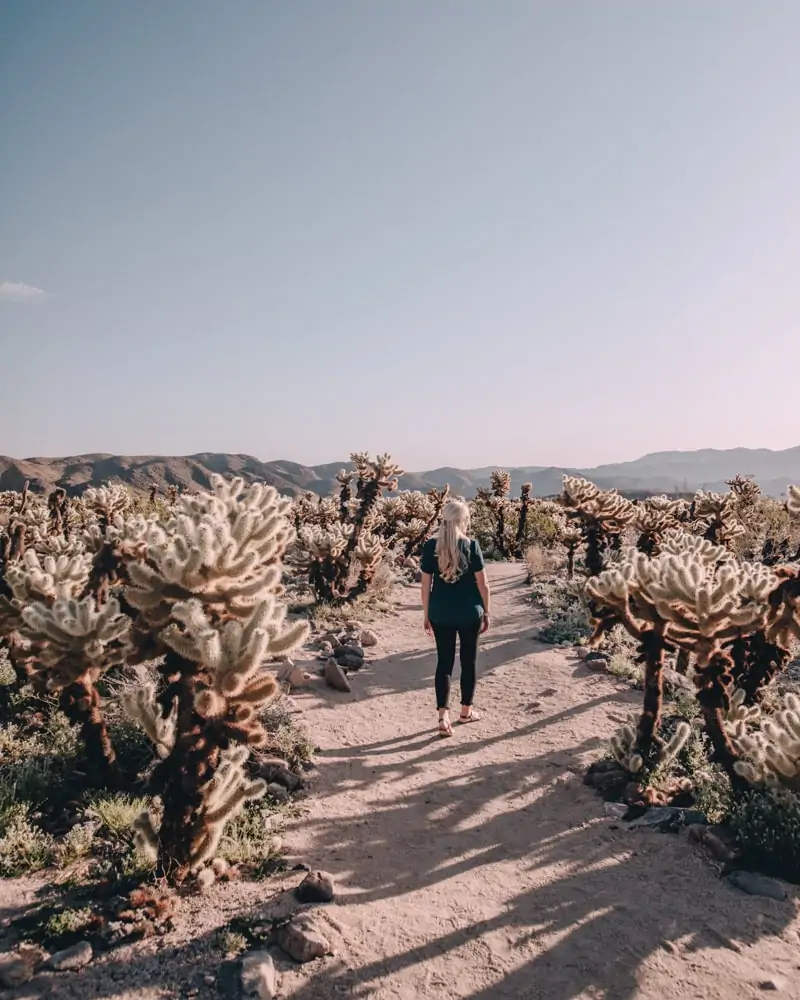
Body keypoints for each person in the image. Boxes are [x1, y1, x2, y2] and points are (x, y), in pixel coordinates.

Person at [420, 499, 491, 738]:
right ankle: (465, 711)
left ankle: (443, 717)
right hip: (470, 613)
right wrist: (487, 611)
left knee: (444, 664)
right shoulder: (471, 546)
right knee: (469, 662)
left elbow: (425, 584)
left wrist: (426, 614)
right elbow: (483, 584)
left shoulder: (431, 546)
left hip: (440, 613)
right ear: (463, 520)